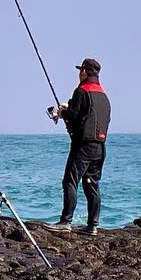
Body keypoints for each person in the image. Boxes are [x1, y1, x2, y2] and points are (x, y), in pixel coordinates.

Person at [50, 57, 111, 235]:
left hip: (83, 145)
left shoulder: (81, 91)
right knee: (91, 184)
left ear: (84, 72)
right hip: (100, 146)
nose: (79, 73)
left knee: (70, 180)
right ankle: (93, 225)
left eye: (81, 70)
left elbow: (74, 117)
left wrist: (63, 112)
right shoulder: (103, 95)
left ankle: (65, 221)